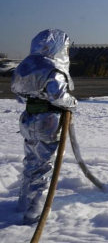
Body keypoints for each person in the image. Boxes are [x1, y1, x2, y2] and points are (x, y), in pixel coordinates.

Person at [11, 29, 77, 225]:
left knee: (31, 162)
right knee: (44, 166)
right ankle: (35, 211)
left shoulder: (26, 66)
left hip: (28, 118)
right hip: (48, 121)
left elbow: (18, 93)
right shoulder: (52, 67)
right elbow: (57, 95)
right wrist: (72, 103)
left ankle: (24, 202)